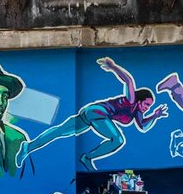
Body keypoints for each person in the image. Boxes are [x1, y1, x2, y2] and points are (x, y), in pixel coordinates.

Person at [18, 57, 168, 171]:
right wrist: (113, 67)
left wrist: (155, 115)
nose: (147, 107)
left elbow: (143, 127)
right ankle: (87, 157)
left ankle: (27, 147)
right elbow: (128, 80)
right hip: (97, 113)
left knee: (59, 132)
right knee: (117, 139)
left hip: (90, 115)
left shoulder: (137, 113)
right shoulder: (132, 99)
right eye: (147, 104)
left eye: (150, 106)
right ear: (140, 99)